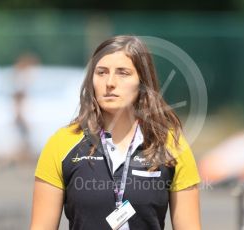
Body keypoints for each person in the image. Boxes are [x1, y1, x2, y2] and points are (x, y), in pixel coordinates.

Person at [30, 35, 201, 230]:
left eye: (123, 73)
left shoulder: (172, 145)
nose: (109, 82)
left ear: (143, 82)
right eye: (101, 72)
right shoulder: (61, 143)